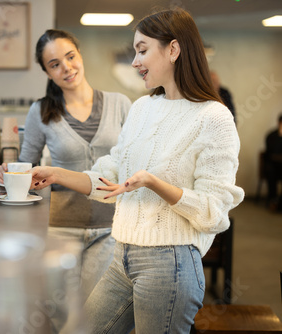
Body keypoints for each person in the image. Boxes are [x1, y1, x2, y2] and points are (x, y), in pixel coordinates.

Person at [30, 9, 244, 333]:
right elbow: (110, 174)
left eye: (142, 50)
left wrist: (155, 183)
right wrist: (57, 174)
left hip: (169, 264)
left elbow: (214, 212)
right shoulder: (143, 107)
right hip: (123, 255)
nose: (134, 61)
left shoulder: (214, 118)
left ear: (173, 50)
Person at [0, 29, 132, 301]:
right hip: (61, 228)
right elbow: (27, 165)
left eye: (70, 57)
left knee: (97, 315)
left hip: (112, 227)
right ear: (47, 72)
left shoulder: (120, 104)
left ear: (79, 55)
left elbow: (134, 161)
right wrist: (7, 172)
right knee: (59, 314)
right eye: (54, 64)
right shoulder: (41, 111)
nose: (66, 68)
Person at [265, 113, 282, 212]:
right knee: (270, 172)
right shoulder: (271, 136)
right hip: (273, 165)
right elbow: (271, 151)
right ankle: (273, 199)